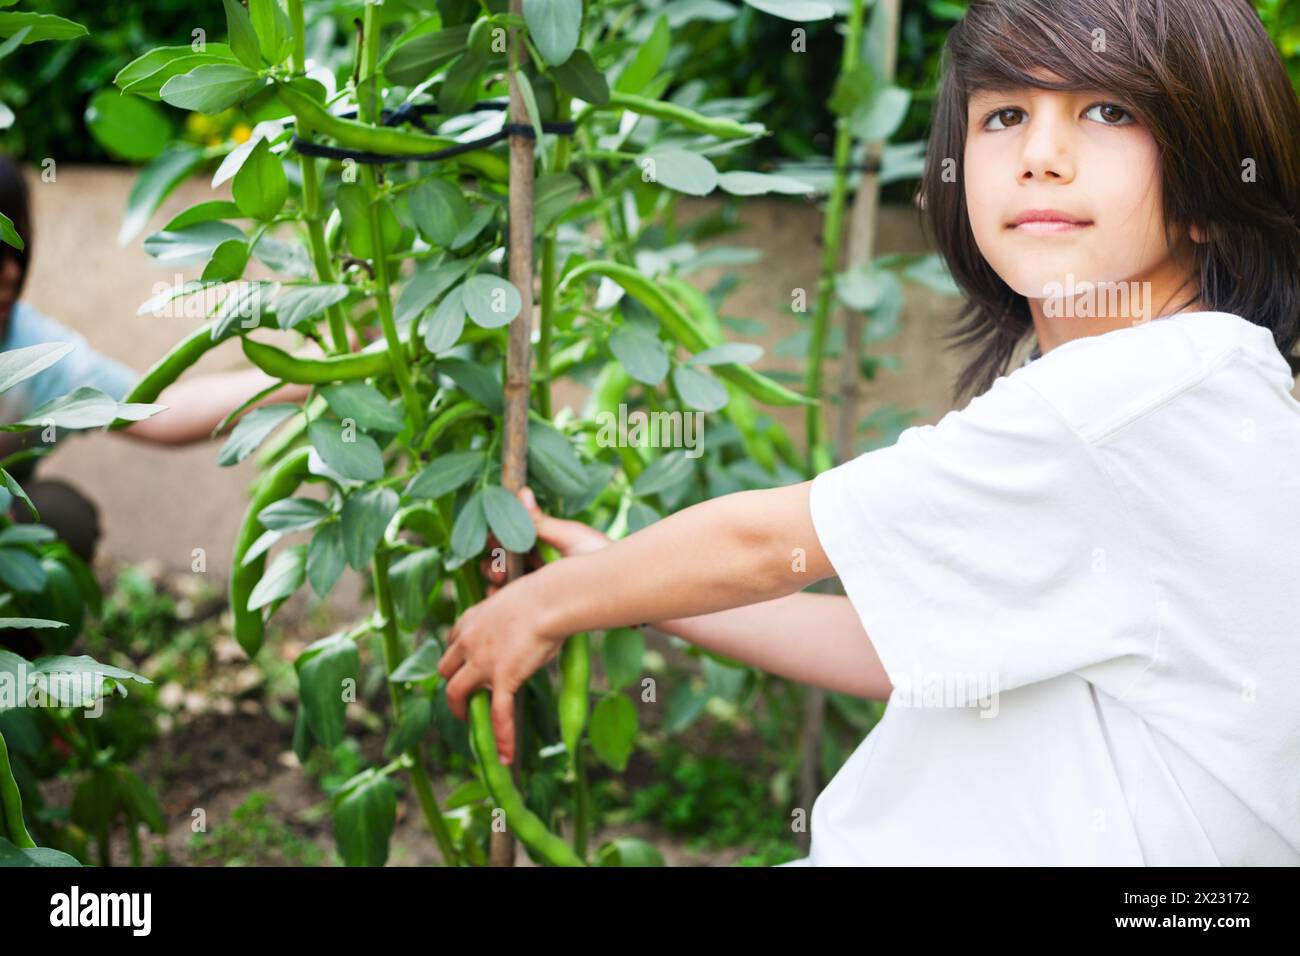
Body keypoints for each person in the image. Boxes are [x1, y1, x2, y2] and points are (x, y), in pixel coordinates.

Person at [438, 0, 1300, 866]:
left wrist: (541, 605)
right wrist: (607, 578)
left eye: (1108, 112)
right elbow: (897, 643)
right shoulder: (1194, 388)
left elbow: (759, 541)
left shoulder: (1129, 398)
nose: (1041, 157)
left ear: (1211, 188)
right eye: (1004, 115)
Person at [0, 150, 313, 568]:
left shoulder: (32, 348)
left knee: (59, 520)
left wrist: (310, 370)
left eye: (15, 248)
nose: (10, 273)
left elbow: (157, 411)